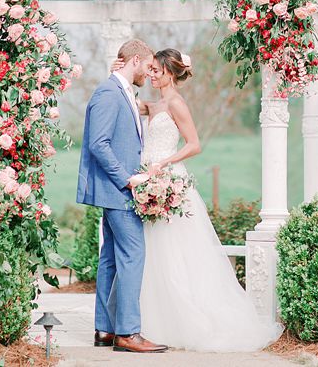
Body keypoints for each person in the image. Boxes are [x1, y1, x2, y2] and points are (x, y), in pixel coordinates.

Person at [112, 49, 283, 351]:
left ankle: (190, 319)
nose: (150, 74)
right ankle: (151, 323)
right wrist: (117, 72)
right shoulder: (155, 105)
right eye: (149, 70)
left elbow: (194, 144)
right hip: (150, 180)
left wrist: (164, 164)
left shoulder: (176, 104)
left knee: (179, 253)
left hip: (170, 180)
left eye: (155, 70)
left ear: (169, 72)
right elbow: (125, 101)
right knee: (153, 254)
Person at [76, 39, 168, 353]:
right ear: (136, 60)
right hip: (119, 190)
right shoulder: (107, 93)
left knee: (111, 260)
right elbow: (98, 144)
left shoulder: (122, 91)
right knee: (132, 256)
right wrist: (127, 179)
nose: (149, 71)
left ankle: (105, 329)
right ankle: (128, 333)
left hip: (117, 191)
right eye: (148, 65)